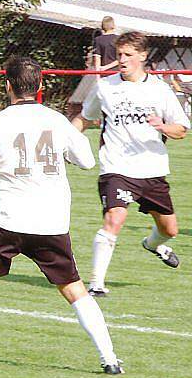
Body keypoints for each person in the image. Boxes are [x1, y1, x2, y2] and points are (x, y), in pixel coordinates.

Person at [0, 56, 123, 374]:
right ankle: (110, 360)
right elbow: (87, 160)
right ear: (40, 87)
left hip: (5, 219)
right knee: (75, 289)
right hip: (51, 221)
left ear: (7, 86)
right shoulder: (57, 120)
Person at [72, 32, 190, 297]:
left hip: (152, 169)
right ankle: (96, 284)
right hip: (116, 167)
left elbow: (181, 129)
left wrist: (162, 126)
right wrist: (64, 141)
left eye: (127, 55)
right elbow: (85, 118)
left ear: (142, 56)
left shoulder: (159, 89)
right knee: (115, 218)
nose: (121, 60)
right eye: (119, 54)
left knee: (169, 230)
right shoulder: (105, 87)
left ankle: (153, 245)